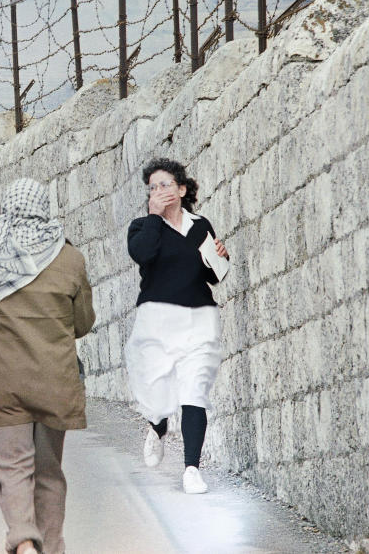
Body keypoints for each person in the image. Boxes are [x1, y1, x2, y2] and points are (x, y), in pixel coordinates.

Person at [0, 178, 95, 554]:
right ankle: (51, 546)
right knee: (49, 473)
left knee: (14, 467)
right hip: (55, 381)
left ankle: (22, 541)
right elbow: (82, 324)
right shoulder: (69, 258)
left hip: (1, 380)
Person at [124, 157, 230, 495]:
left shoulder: (200, 225)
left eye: (165, 184)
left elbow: (213, 275)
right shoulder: (142, 226)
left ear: (182, 189)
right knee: (158, 390)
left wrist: (221, 257)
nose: (158, 191)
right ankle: (157, 426)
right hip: (156, 318)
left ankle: (191, 470)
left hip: (199, 317)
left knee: (194, 390)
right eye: (152, 187)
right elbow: (143, 255)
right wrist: (155, 216)